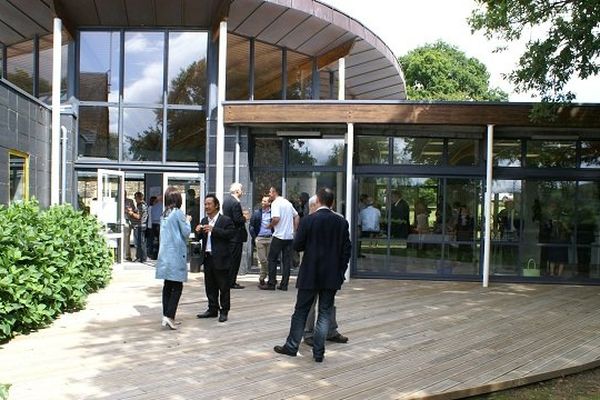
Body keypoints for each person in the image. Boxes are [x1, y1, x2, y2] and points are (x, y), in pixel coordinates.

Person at [273, 187, 351, 363]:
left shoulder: (308, 220)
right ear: (332, 202)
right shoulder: (341, 222)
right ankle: (318, 353)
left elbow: (298, 245)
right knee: (324, 313)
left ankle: (292, 346)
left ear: (319, 201)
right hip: (331, 276)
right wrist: (340, 272)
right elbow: (347, 251)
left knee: (300, 311)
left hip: (310, 274)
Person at [303, 194, 348, 347]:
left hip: (328, 270)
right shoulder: (309, 220)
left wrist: (342, 269)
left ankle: (330, 331)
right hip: (314, 270)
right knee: (312, 302)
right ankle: (309, 333)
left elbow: (345, 248)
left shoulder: (339, 220)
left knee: (328, 302)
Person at [154, 187, 192, 330]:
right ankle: (170, 316)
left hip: (165, 256)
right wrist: (188, 220)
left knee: (167, 286)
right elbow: (186, 232)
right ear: (178, 199)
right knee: (177, 287)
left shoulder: (164, 214)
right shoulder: (178, 213)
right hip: (175, 255)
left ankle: (167, 316)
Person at [195, 194, 236, 322]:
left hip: (221, 258)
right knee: (210, 285)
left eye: (209, 204)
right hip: (208, 257)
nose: (206, 206)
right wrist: (197, 232)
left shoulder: (225, 220)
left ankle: (224, 311)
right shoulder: (204, 220)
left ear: (216, 205)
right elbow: (199, 238)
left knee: (223, 286)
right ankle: (212, 308)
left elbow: (231, 235)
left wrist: (214, 230)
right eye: (205, 204)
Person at [259, 186, 299, 291]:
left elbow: (276, 218)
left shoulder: (276, 203)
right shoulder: (287, 203)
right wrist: (294, 230)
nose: (269, 194)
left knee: (272, 259)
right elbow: (297, 216)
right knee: (286, 261)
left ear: (274, 192)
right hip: (289, 237)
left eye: (270, 192)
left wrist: (270, 225)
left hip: (279, 236)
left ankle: (271, 283)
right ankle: (284, 284)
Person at [222, 182, 248, 289]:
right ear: (237, 191)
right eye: (241, 190)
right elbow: (237, 219)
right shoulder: (235, 203)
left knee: (230, 259)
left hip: (229, 235)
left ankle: (228, 280)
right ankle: (232, 281)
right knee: (235, 260)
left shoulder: (226, 201)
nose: (242, 192)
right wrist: (245, 217)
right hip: (236, 235)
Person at [249, 195, 272, 286]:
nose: (263, 203)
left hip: (270, 238)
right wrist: (255, 237)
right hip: (260, 238)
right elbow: (251, 226)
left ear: (269, 203)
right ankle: (264, 275)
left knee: (269, 259)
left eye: (265, 201)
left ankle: (263, 278)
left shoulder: (273, 213)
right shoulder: (257, 213)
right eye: (262, 201)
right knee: (263, 260)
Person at [129, 191, 148, 262]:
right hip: (140, 225)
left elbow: (139, 216)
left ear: (138, 197)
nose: (134, 199)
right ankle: (141, 257)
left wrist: (131, 213)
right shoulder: (142, 205)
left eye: (135, 197)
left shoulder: (141, 205)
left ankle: (141, 257)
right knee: (141, 242)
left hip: (139, 226)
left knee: (139, 242)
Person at [147, 194, 163, 259]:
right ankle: (159, 255)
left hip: (154, 225)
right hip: (159, 224)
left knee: (155, 241)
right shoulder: (162, 206)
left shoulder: (153, 206)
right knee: (160, 241)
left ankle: (154, 255)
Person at [123, 191, 135, 261]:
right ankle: (117, 255)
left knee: (126, 239)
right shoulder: (116, 200)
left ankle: (127, 256)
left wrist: (129, 211)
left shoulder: (130, 201)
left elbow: (134, 211)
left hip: (127, 221)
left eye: (124, 194)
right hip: (118, 221)